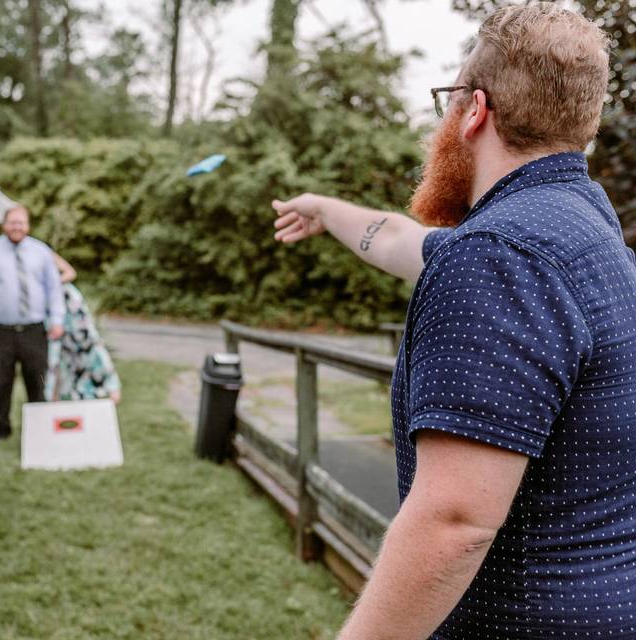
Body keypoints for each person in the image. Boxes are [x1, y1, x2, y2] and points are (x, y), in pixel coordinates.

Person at [273, 5, 634, 638]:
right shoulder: (580, 230)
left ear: (474, 109)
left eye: (450, 99)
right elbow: (404, 242)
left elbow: (454, 522)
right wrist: (325, 210)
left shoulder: (501, 254)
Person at [0, 206, 64, 439]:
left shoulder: (41, 252)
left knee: (37, 380)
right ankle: (1, 429)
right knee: (1, 382)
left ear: (28, 225)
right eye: (13, 222)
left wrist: (58, 320)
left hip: (35, 330)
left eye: (21, 222)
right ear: (5, 224)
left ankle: (38, 431)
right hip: (0, 331)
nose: (17, 227)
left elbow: (54, 288)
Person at [45, 253, 122, 404]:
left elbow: (70, 272)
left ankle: (111, 386)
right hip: (47, 308)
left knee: (88, 344)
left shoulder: (41, 251)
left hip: (68, 302)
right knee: (54, 355)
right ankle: (53, 398)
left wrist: (51, 286)